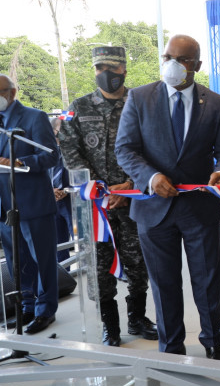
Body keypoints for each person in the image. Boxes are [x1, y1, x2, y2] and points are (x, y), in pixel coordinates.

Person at [115, 35, 220, 360]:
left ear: (196, 65)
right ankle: (171, 349)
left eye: (181, 59)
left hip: (199, 207)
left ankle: (213, 342)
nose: (172, 64)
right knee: (164, 284)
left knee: (207, 280)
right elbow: (125, 149)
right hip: (153, 210)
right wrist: (151, 177)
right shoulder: (140, 98)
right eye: (167, 56)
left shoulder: (215, 103)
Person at [58, 46, 158, 346]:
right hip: (96, 205)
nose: (104, 73)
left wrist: (130, 185)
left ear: (123, 69)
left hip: (135, 201)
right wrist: (99, 188)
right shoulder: (79, 107)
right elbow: (69, 150)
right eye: (99, 68)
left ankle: (137, 318)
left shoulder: (141, 104)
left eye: (111, 68)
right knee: (99, 269)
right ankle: (110, 327)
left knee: (139, 264)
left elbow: (155, 149)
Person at [0, 75, 59, 334]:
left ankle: (45, 310)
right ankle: (26, 305)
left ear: (12, 92)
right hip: (4, 206)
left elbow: (51, 156)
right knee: (17, 260)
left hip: (33, 203)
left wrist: (20, 162)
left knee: (42, 259)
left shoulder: (34, 117)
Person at [49, 117, 73, 267]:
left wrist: (66, 190)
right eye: (62, 129)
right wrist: (50, 190)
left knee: (81, 240)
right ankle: (65, 275)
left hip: (72, 200)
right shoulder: (46, 151)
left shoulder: (73, 150)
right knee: (59, 244)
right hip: (53, 201)